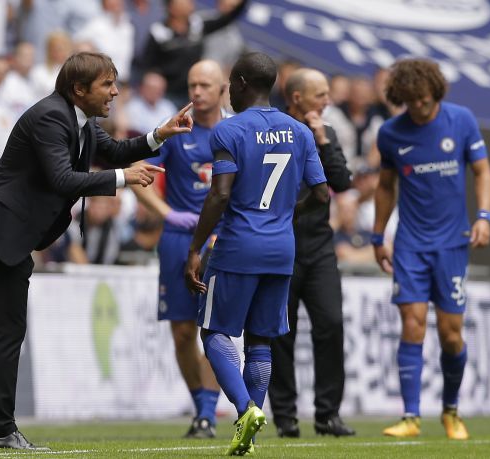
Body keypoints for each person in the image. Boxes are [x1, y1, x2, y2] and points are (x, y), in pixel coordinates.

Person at [0, 51, 194, 449]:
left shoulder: (78, 118)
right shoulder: (51, 116)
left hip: (0, 228)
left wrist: (159, 135)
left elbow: (115, 150)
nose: (115, 92)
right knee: (5, 330)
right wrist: (122, 180)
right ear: (78, 89)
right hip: (3, 231)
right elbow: (63, 179)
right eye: (107, 84)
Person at [184, 52, 329, 456]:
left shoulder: (229, 132)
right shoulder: (299, 132)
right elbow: (321, 192)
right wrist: (287, 213)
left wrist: (195, 247)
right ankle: (248, 430)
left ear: (243, 83)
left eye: (230, 83)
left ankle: (246, 408)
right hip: (282, 248)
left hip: (238, 246)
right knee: (260, 339)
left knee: (213, 331)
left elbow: (221, 193)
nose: (229, 90)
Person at [373, 58, 490, 440]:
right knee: (411, 324)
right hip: (410, 245)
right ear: (401, 99)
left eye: (424, 100)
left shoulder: (461, 120)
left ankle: (451, 410)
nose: (420, 108)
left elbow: (482, 172)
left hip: (452, 245)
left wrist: (485, 216)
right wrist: (378, 237)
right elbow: (385, 187)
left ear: (435, 93)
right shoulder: (391, 133)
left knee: (451, 333)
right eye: (411, 103)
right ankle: (410, 416)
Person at [130, 59, 225, 438]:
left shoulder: (235, 130)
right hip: (179, 239)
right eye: (191, 85)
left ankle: (206, 411)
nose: (197, 92)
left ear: (222, 91)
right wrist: (169, 213)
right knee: (183, 333)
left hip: (223, 240)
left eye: (205, 85)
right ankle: (201, 407)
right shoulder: (175, 130)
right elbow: (138, 174)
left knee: (217, 330)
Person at [267, 68, 355, 438]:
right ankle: (285, 415)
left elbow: (342, 181)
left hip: (319, 247)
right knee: (279, 332)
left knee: (331, 324)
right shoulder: (271, 133)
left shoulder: (327, 133)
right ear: (297, 98)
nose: (328, 101)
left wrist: (322, 139)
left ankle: (327, 414)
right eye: (320, 95)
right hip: (279, 245)